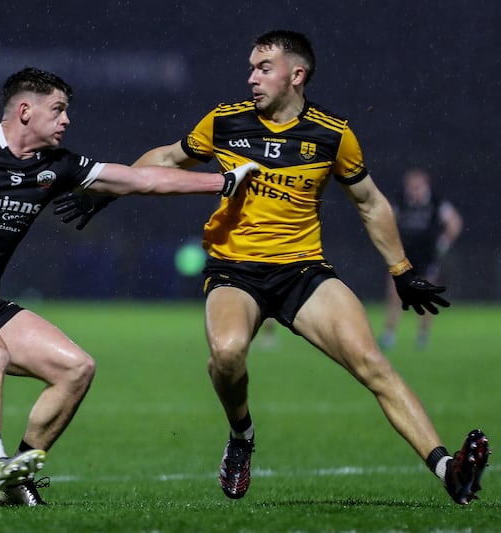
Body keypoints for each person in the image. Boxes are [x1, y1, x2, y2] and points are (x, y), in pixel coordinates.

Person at [63, 31, 489, 505]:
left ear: (296, 75)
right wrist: (108, 190)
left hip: (303, 273)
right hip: (234, 272)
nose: (251, 77)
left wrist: (402, 270)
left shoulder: (332, 133)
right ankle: (242, 438)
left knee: (373, 365)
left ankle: (449, 470)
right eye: (251, 67)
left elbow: (369, 202)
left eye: (263, 67)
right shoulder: (226, 121)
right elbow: (166, 158)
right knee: (226, 355)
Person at [0, 67, 259, 506]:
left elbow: (141, 180)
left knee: (75, 369)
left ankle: (15, 478)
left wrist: (223, 181)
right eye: (58, 110)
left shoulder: (56, 165)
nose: (66, 120)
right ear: (25, 110)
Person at [378, 167, 463, 350]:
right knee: (395, 294)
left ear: (426, 186)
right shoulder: (400, 201)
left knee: (425, 296)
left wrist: (444, 242)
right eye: (411, 186)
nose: (414, 190)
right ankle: (389, 334)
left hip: (426, 256)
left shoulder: (436, 202)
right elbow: (384, 220)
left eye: (418, 186)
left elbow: (455, 222)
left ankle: (423, 336)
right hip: (402, 255)